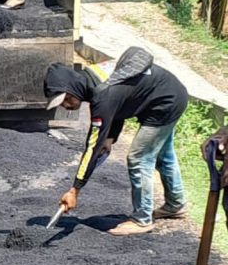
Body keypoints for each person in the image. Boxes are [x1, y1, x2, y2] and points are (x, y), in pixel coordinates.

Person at [44, 48, 189, 236]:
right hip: (169, 93)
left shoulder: (101, 94)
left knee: (139, 158)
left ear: (72, 89)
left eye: (65, 100)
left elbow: (92, 147)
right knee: (162, 154)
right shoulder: (94, 78)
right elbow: (121, 102)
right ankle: (175, 205)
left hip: (164, 104)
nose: (66, 106)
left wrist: (75, 189)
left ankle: (142, 219)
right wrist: (110, 138)